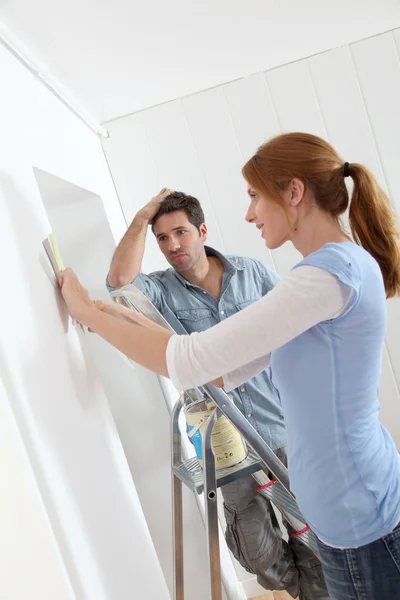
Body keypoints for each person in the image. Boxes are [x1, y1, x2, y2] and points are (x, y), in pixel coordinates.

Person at [59, 132, 400, 600]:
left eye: (255, 196)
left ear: (294, 193)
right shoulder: (325, 273)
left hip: (361, 518)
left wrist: (89, 313)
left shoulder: (325, 276)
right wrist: (109, 312)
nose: (249, 213)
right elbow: (215, 367)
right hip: (344, 518)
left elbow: (191, 359)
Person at [106, 189, 328, 599]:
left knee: (311, 531)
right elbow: (119, 283)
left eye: (181, 233)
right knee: (256, 550)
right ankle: (300, 589)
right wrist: (141, 219)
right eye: (162, 238)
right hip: (222, 443)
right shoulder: (159, 292)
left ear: (202, 230)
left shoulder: (253, 274)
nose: (173, 245)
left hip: (280, 426)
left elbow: (296, 332)